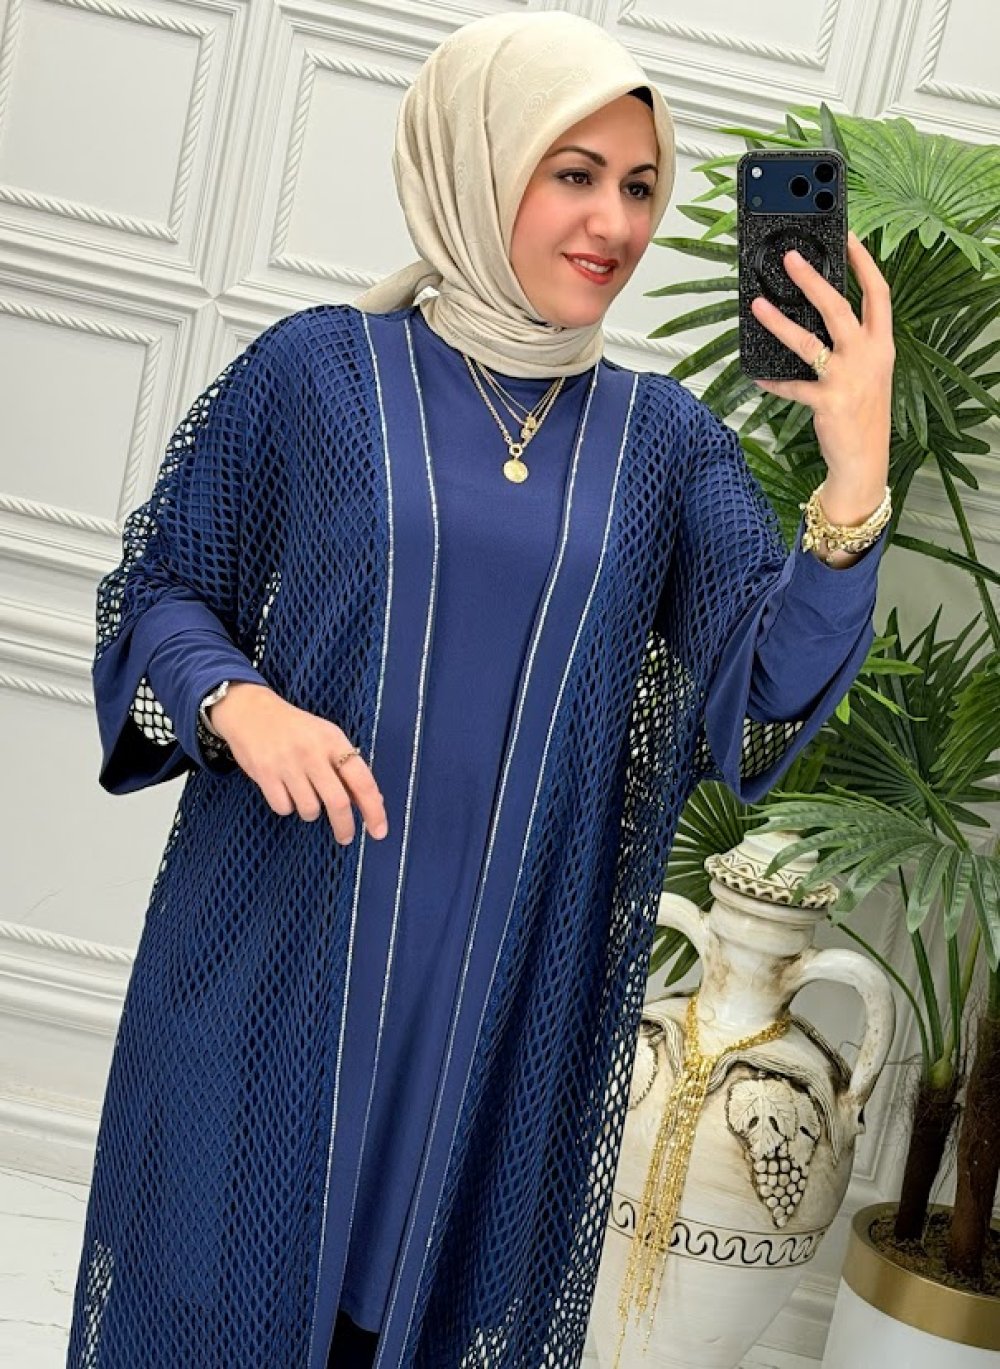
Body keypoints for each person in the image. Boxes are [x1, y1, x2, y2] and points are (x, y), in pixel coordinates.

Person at [65, 10, 894, 1369]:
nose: (616, 223)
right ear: (476, 160)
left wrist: (852, 476)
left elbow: (762, 682)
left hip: (510, 1002)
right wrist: (236, 702)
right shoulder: (320, 373)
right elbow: (162, 586)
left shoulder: (666, 447)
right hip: (279, 952)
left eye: (641, 185)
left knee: (418, 1321)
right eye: (574, 173)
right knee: (216, 1301)